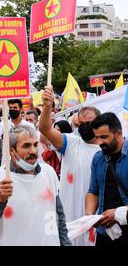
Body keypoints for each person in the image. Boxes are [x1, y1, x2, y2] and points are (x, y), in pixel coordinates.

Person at [0, 125, 71, 246]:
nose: (33, 151)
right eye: (26, 146)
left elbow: (59, 217)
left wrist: (65, 243)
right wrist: (0, 200)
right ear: (12, 151)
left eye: (35, 145)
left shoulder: (48, 172)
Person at [39, 86, 101, 246]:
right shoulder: (71, 142)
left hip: (96, 219)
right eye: (81, 124)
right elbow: (45, 129)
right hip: (70, 220)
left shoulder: (107, 149)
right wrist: (47, 106)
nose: (85, 127)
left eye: (90, 123)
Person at [86, 113, 128, 246]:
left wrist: (117, 214)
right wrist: (90, 214)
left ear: (119, 133)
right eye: (96, 137)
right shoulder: (98, 158)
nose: (99, 142)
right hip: (106, 233)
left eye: (104, 137)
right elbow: (93, 191)